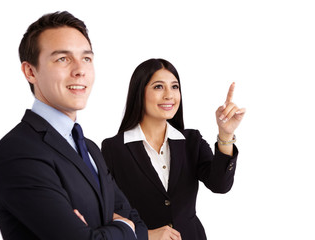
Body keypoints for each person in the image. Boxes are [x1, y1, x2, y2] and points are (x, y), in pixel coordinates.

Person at [0, 11, 148, 240]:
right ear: (30, 71)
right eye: (62, 59)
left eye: (86, 58)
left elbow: (138, 224)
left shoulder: (90, 148)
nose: (80, 70)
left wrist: (109, 230)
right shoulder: (17, 151)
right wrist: (124, 228)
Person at [101, 58, 245, 240]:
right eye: (158, 87)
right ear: (140, 92)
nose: (169, 95)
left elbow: (220, 185)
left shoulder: (191, 140)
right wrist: (143, 235)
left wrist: (225, 134)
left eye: (175, 87)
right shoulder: (114, 148)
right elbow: (108, 210)